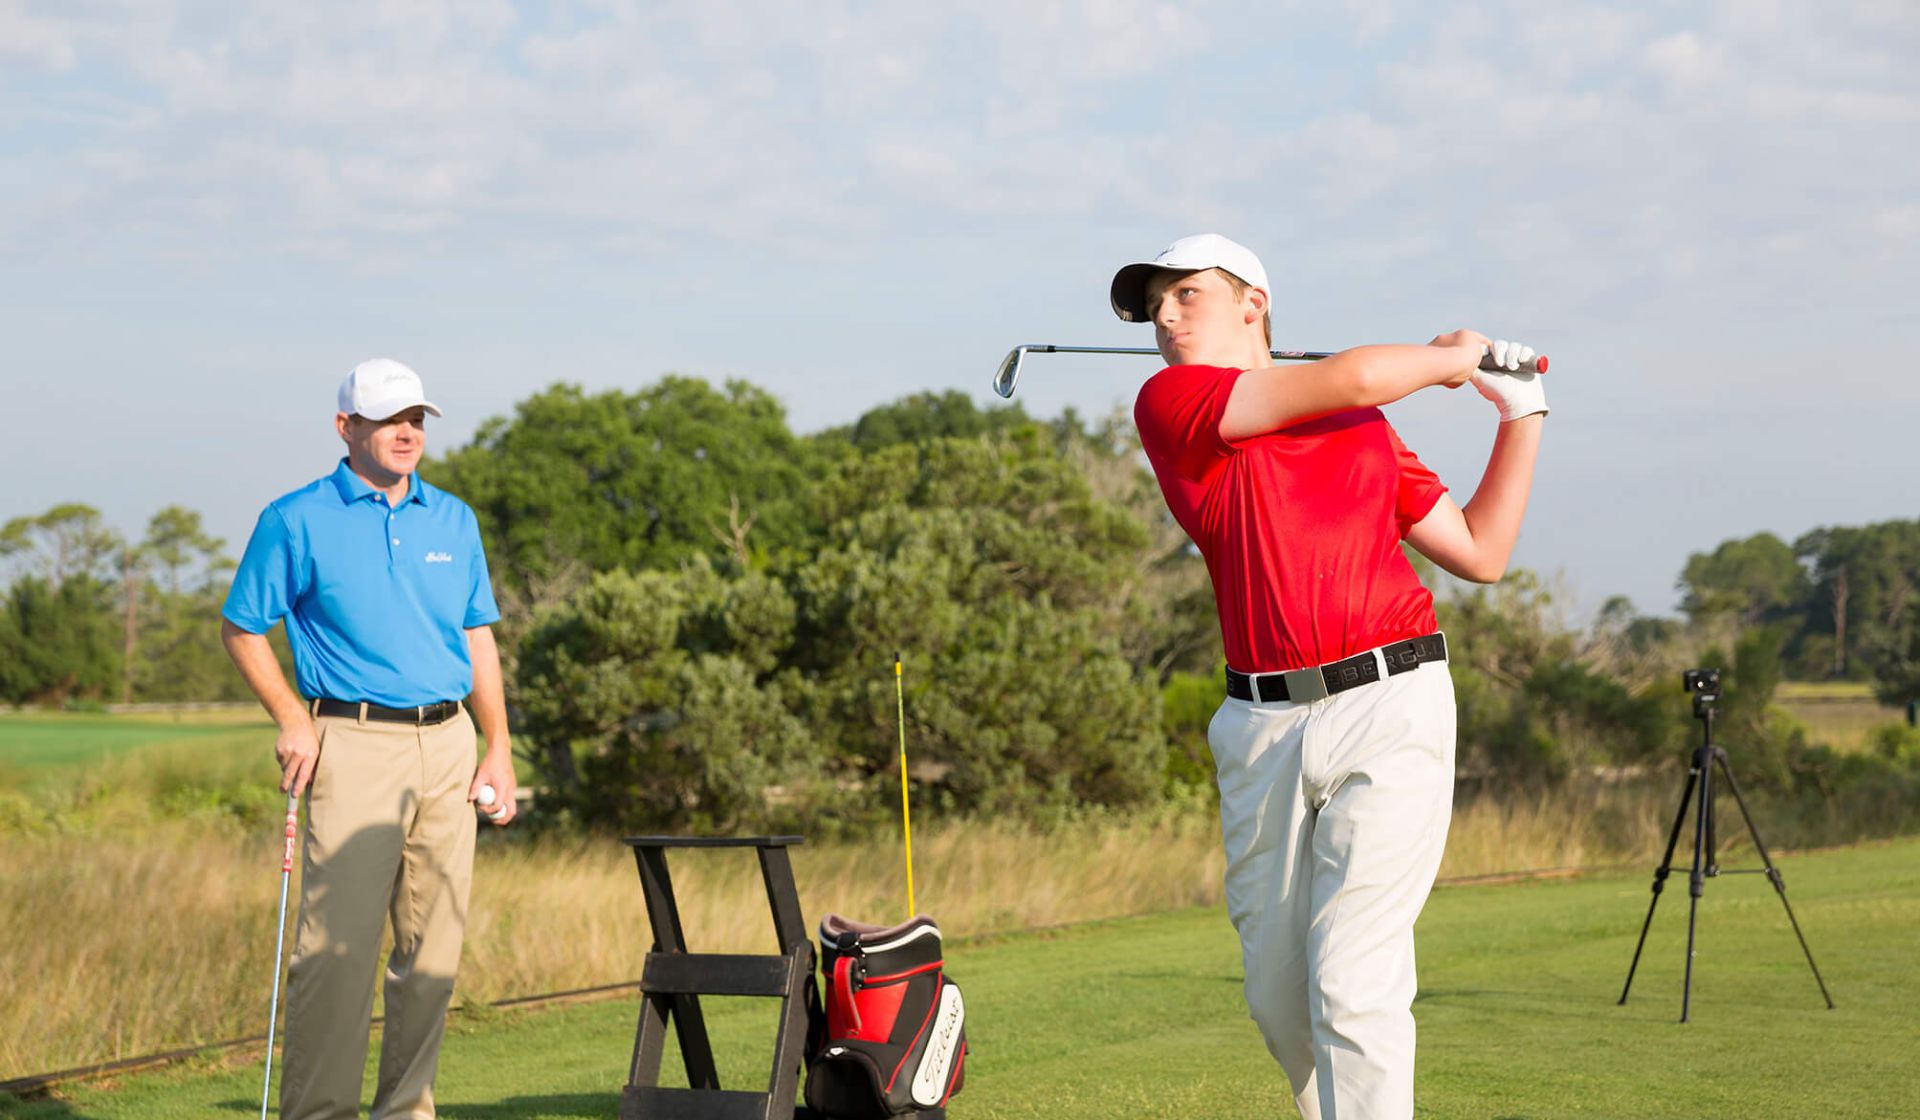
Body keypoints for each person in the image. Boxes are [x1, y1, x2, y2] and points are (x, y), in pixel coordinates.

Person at [1112, 234, 1546, 1119]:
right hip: (1261, 725)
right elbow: (1349, 377)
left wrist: (1520, 412)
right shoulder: (1172, 402)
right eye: (1154, 303)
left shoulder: (1363, 426)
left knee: (1353, 980)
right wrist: (1447, 359)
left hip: (1393, 700)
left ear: (1252, 305)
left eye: (1185, 294)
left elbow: (1481, 551)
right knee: (1278, 998)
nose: (1163, 316)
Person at [221, 357, 517, 1120]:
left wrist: (499, 746)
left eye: (416, 418)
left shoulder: (454, 518)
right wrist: (292, 717)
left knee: (434, 957)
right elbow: (243, 627)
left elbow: (476, 636)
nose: (407, 433)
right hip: (350, 746)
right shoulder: (295, 518)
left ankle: (405, 1112)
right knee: (336, 956)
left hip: (448, 746)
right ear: (345, 428)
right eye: (390, 419)